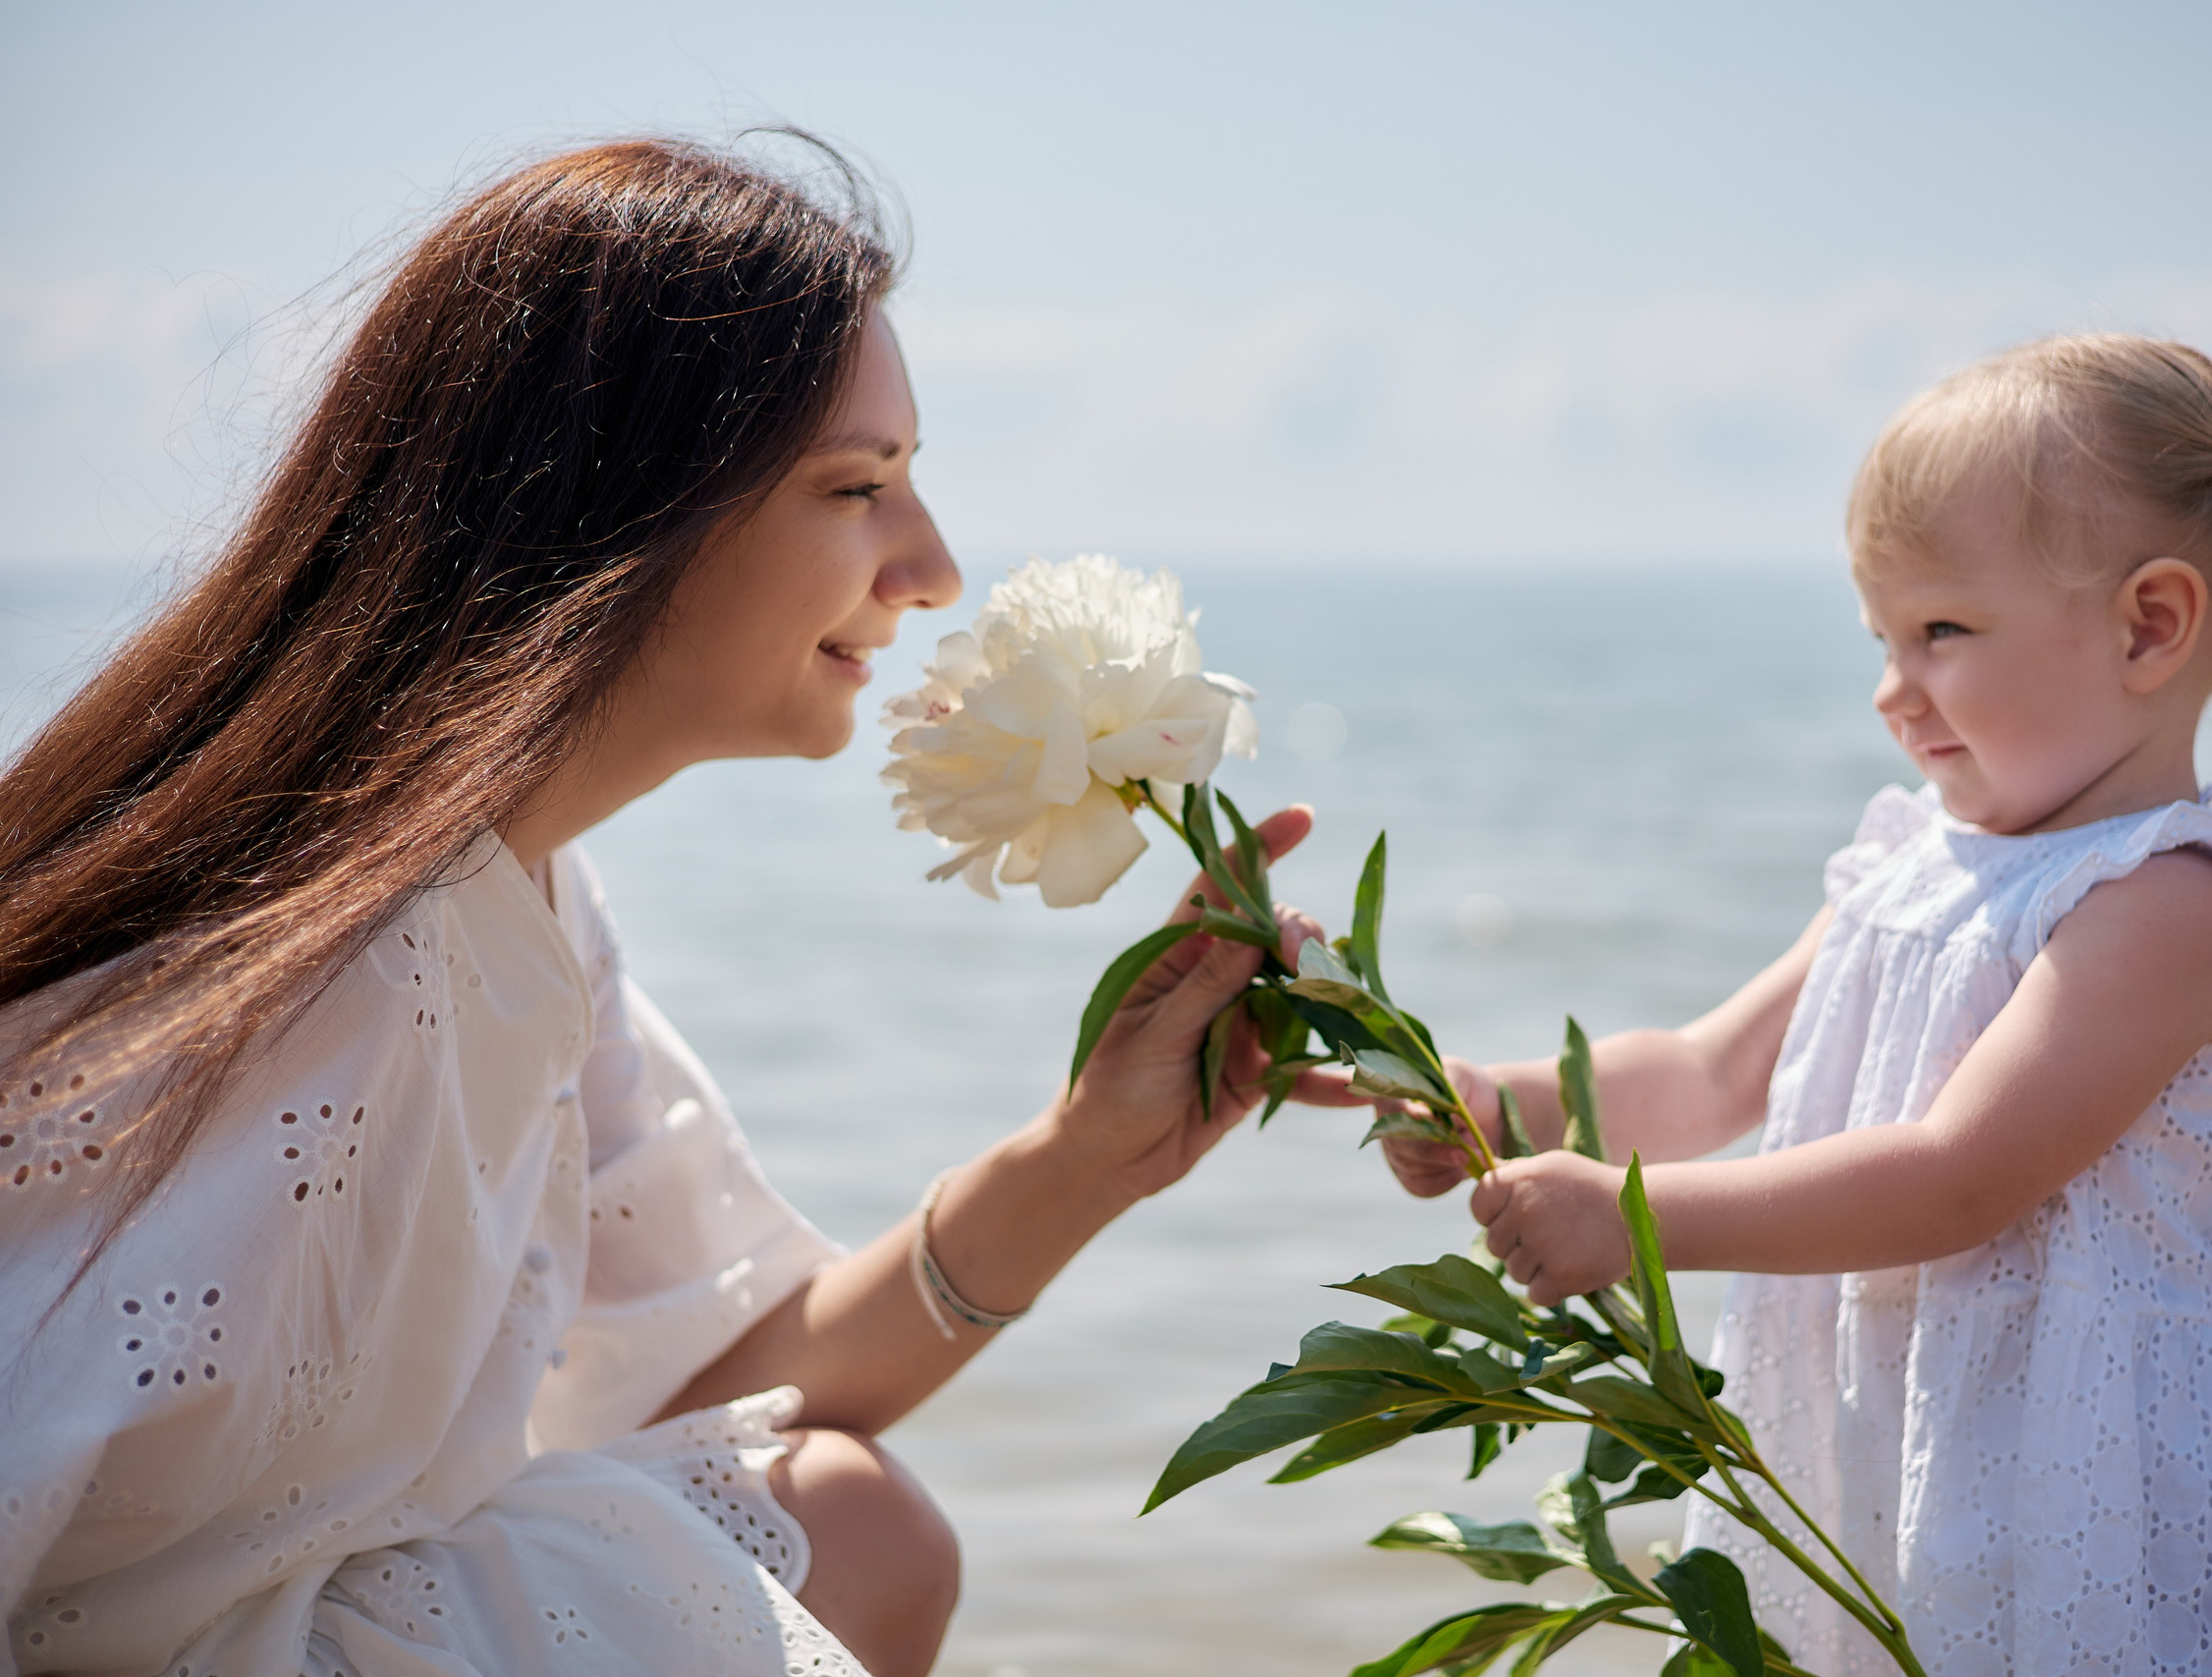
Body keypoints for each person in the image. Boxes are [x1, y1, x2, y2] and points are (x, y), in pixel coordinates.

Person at [0, 137, 1318, 1677]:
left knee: (846, 1521)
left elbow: (719, 1387)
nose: (934, 568)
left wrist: (1090, 1153)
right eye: (858, 487)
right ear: (620, 506)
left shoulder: (527, 896)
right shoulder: (304, 967)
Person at [1374, 336, 2212, 1675]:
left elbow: (1960, 1178)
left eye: (1941, 632)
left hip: (2099, 1495)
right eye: (1882, 637)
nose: (1890, 692)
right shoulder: (1911, 864)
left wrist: (1632, 1220)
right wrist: (1495, 1103)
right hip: (1903, 1452)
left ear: (2148, 625)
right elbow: (1712, 1071)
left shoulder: (2166, 904)